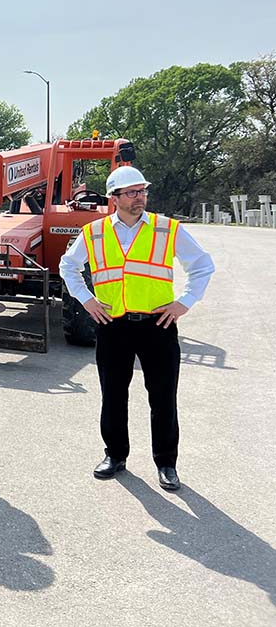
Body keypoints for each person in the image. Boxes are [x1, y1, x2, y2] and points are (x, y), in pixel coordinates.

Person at [59, 165, 214, 491]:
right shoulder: (95, 232)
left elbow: (202, 265)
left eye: (142, 191)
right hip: (113, 325)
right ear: (114, 198)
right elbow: (68, 266)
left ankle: (167, 464)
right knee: (113, 395)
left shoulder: (165, 229)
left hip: (158, 325)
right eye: (131, 192)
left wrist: (184, 302)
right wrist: (87, 300)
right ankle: (115, 455)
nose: (139, 197)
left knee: (163, 397)